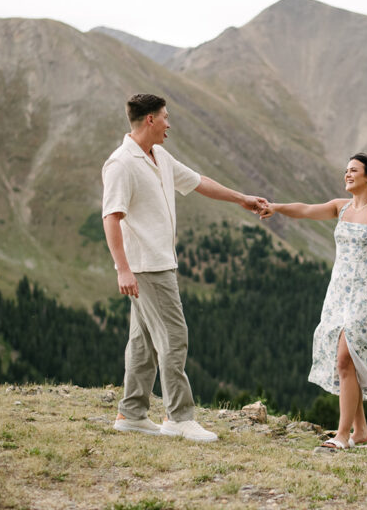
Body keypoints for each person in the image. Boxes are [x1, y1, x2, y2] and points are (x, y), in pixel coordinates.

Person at [102, 93, 267, 442]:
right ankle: (178, 417)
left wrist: (243, 199)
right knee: (174, 339)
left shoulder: (158, 155)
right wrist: (122, 269)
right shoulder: (121, 163)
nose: (169, 123)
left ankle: (131, 414)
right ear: (149, 120)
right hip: (147, 266)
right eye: (165, 117)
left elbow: (198, 182)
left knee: (143, 341)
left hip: (158, 262)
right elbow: (111, 217)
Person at [260, 154, 367, 449]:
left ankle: (342, 435)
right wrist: (276, 207)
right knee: (348, 363)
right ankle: (360, 431)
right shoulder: (341, 207)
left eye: (353, 171)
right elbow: (307, 210)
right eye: (346, 171)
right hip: (337, 291)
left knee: (345, 358)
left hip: (364, 292)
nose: (347, 175)